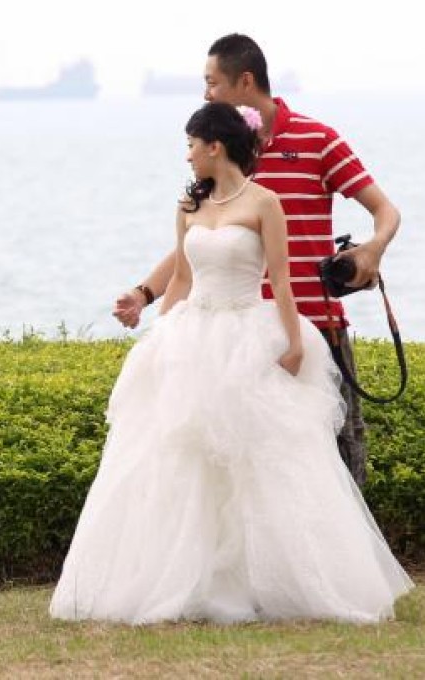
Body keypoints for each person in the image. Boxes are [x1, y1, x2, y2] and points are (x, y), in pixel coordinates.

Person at [50, 101, 413, 624]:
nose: (189, 155)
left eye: (193, 145)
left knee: (258, 460)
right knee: (180, 458)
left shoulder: (265, 203)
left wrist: (292, 343)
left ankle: (269, 581)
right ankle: (183, 578)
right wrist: (157, 326)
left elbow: (282, 282)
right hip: (194, 333)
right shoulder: (188, 206)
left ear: (216, 146)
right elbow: (182, 278)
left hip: (247, 330)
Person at [112, 34, 400, 487]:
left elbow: (386, 211)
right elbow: (201, 242)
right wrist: (145, 293)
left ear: (245, 81)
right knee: (251, 478)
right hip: (240, 346)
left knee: (340, 464)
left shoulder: (317, 139)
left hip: (316, 324)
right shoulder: (219, 154)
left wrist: (372, 249)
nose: (206, 94)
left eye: (212, 83)